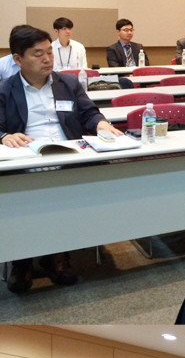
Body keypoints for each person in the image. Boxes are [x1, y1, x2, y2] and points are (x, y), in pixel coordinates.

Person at [0, 28, 123, 294]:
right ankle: (22, 260)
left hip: (68, 158)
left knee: (65, 192)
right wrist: (4, 136)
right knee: (22, 197)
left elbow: (89, 113)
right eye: (38, 54)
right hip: (24, 161)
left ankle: (57, 255)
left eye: (49, 52)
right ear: (18, 59)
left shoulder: (67, 83)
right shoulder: (5, 89)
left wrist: (101, 124)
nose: (47, 59)